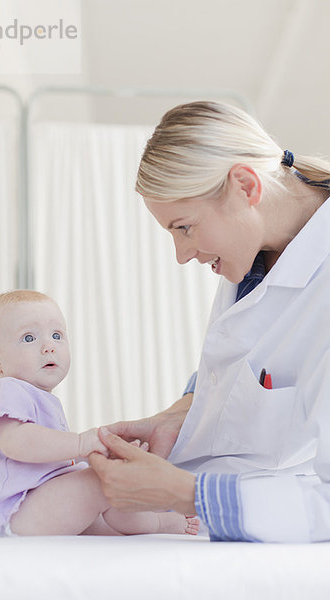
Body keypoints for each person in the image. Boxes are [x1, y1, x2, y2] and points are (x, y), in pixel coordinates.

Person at [89, 100, 330, 543]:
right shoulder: (258, 254)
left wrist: (188, 494)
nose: (182, 255)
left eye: (184, 228)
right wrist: (177, 415)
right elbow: (242, 372)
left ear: (243, 185)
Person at [0, 290, 199, 538]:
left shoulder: (41, 399)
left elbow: (48, 460)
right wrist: (82, 444)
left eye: (57, 335)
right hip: (13, 510)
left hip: (37, 503)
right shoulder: (7, 390)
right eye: (29, 338)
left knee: (109, 493)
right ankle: (159, 522)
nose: (49, 346)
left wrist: (100, 455)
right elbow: (16, 442)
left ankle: (154, 521)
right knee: (102, 482)